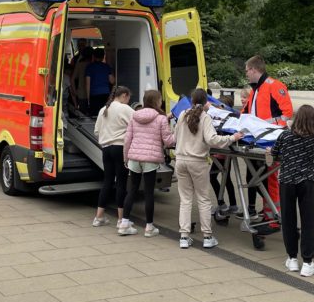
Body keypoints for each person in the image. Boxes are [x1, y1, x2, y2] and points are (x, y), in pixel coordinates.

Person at [175, 88, 244, 249]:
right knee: (203, 199)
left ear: (191, 101)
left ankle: (184, 237)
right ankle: (207, 236)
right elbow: (212, 140)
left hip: (181, 160)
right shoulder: (205, 118)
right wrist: (233, 137)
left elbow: (175, 136)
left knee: (185, 200)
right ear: (207, 102)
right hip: (197, 161)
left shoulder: (182, 115)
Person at [267, 105, 314, 277]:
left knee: (289, 220)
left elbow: (275, 154)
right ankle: (308, 262)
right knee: (308, 221)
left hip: (286, 181)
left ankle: (292, 259)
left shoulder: (284, 135)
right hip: (306, 181)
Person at [242, 55, 294, 224]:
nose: (246, 75)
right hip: (260, 141)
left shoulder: (274, 86)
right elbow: (246, 113)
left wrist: (274, 131)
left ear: (253, 69)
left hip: (271, 141)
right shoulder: (256, 90)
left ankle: (274, 218)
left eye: (247, 71)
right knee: (260, 180)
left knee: (270, 180)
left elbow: (287, 113)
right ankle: (271, 214)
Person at [118, 90, 175, 237]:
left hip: (134, 158)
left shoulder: (134, 116)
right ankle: (149, 227)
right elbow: (168, 141)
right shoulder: (161, 119)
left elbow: (127, 139)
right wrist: (178, 133)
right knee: (149, 192)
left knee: (132, 190)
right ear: (157, 101)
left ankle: (124, 224)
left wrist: (126, 158)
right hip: (150, 159)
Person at [92, 86, 134, 228]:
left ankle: (99, 217)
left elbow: (97, 131)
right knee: (121, 182)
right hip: (120, 147)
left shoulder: (103, 110)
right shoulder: (125, 109)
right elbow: (138, 122)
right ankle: (121, 220)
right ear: (124, 95)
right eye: (128, 98)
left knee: (107, 181)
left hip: (106, 148)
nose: (128, 101)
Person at [86, 48, 114, 117]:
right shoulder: (107, 67)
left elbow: (87, 84)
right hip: (105, 94)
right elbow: (112, 81)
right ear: (103, 56)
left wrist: (88, 99)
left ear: (94, 56)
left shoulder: (89, 67)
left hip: (94, 94)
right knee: (105, 115)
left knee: (95, 116)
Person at [70, 46, 93, 114]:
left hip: (82, 93)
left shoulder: (79, 65)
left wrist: (74, 91)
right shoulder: (94, 65)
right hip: (94, 94)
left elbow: (72, 79)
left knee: (83, 115)